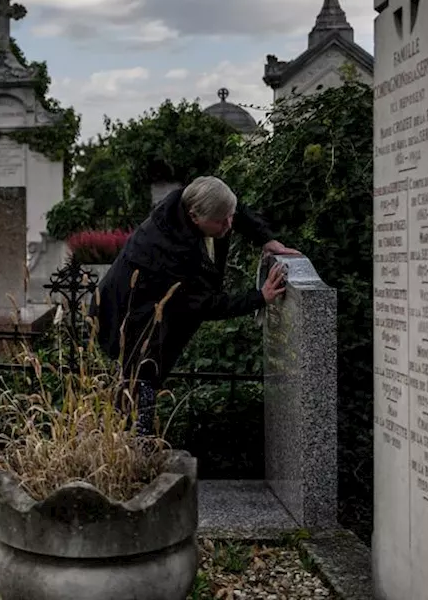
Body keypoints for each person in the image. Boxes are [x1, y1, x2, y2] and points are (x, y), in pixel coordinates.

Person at [93, 176, 298, 433]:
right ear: (195, 216)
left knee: (141, 385)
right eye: (221, 221)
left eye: (229, 217)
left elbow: (234, 210)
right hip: (128, 321)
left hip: (151, 305)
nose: (229, 225)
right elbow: (203, 305)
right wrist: (260, 297)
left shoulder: (199, 201)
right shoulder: (169, 251)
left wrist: (266, 239)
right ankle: (132, 450)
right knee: (139, 384)